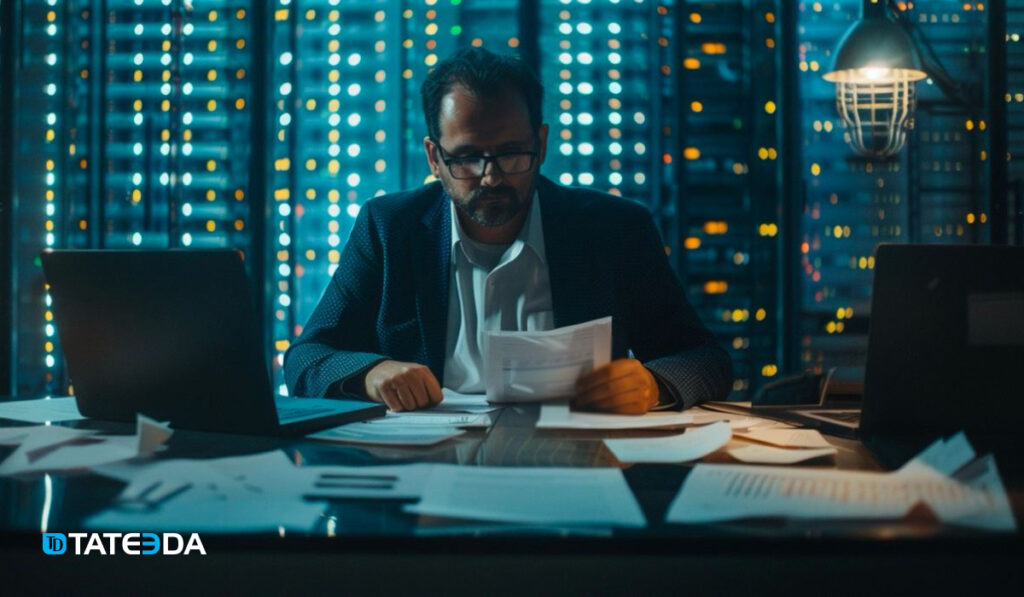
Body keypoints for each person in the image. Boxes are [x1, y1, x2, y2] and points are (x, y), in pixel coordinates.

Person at [284, 48, 731, 414]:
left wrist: (654, 383)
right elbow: (305, 358)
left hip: (581, 470)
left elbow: (706, 359)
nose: (491, 177)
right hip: (427, 467)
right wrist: (372, 373)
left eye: (511, 153)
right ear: (434, 158)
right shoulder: (389, 228)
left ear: (542, 144)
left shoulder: (614, 229)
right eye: (466, 158)